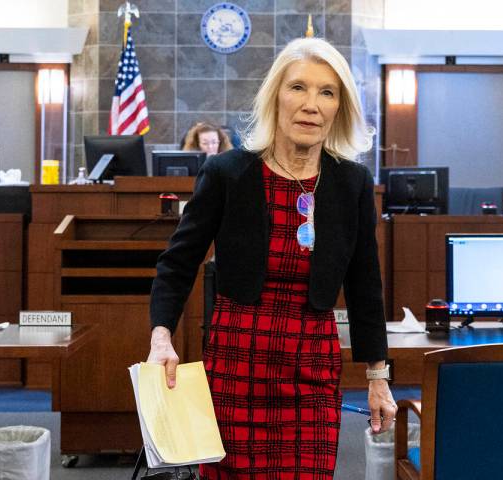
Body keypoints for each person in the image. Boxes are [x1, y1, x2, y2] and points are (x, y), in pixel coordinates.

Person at [148, 37, 395, 479]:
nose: (311, 105)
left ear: (340, 107)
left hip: (313, 367)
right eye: (298, 87)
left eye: (327, 92)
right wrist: (161, 336)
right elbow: (178, 263)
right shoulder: (228, 173)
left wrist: (378, 375)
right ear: (275, 96)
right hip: (237, 361)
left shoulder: (351, 183)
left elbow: (365, 285)